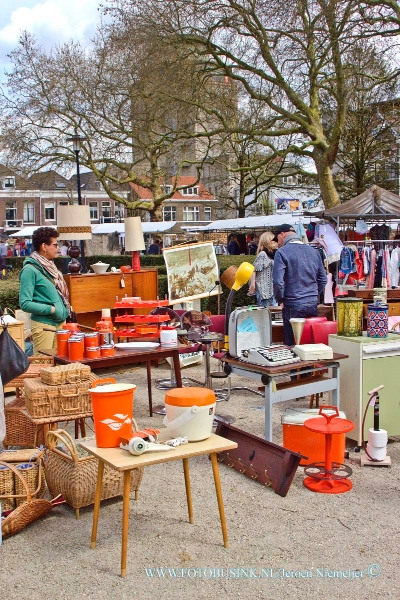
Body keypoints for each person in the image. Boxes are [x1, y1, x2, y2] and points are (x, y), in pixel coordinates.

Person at [272, 224, 327, 346]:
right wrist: (313, 294)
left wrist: (280, 299)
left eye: (277, 239)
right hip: (311, 303)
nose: (278, 243)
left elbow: (277, 282)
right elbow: (323, 279)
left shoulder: (281, 253)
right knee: (309, 342)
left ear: (283, 235)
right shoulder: (314, 252)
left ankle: (296, 365)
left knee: (293, 345)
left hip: (292, 303)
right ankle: (308, 365)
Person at [19, 227, 70, 354]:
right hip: (44, 325)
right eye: (54, 245)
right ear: (44, 246)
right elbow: (24, 303)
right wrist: (51, 309)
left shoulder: (50, 267)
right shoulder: (30, 270)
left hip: (60, 322)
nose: (58, 248)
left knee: (60, 366)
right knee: (44, 365)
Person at [248, 231, 278, 307]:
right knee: (265, 312)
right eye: (273, 239)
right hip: (264, 291)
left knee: (274, 313)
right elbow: (254, 269)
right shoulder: (263, 254)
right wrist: (252, 285)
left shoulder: (274, 254)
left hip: (273, 291)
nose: (275, 241)